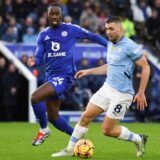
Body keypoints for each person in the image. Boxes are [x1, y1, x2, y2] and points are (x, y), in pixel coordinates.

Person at [51, 16, 150, 158]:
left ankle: (138, 139)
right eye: (106, 29)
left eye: (111, 29)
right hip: (107, 88)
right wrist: (89, 71)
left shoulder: (130, 46)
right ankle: (70, 149)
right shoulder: (110, 44)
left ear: (120, 29)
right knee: (85, 116)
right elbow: (110, 67)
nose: (108, 32)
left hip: (122, 94)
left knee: (107, 130)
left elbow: (145, 66)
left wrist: (141, 92)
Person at [27, 3, 108, 146]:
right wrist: (35, 61)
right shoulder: (43, 34)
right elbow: (39, 58)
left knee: (35, 97)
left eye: (56, 14)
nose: (54, 17)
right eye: (51, 14)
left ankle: (43, 130)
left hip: (65, 76)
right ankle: (79, 141)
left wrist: (110, 46)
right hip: (51, 77)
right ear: (47, 15)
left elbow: (92, 36)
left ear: (61, 15)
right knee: (53, 116)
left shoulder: (71, 29)